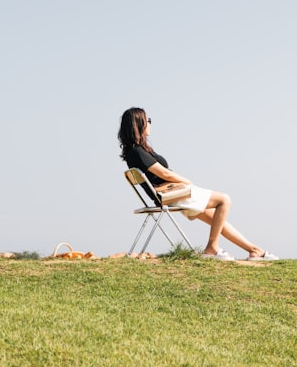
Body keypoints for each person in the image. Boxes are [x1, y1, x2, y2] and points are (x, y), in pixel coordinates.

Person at [118, 107, 278, 261]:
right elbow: (164, 173)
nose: (150, 123)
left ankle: (254, 251)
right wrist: (187, 181)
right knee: (224, 200)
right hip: (173, 195)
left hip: (172, 196)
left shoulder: (136, 151)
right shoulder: (137, 151)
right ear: (138, 124)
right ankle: (212, 248)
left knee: (218, 219)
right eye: (148, 120)